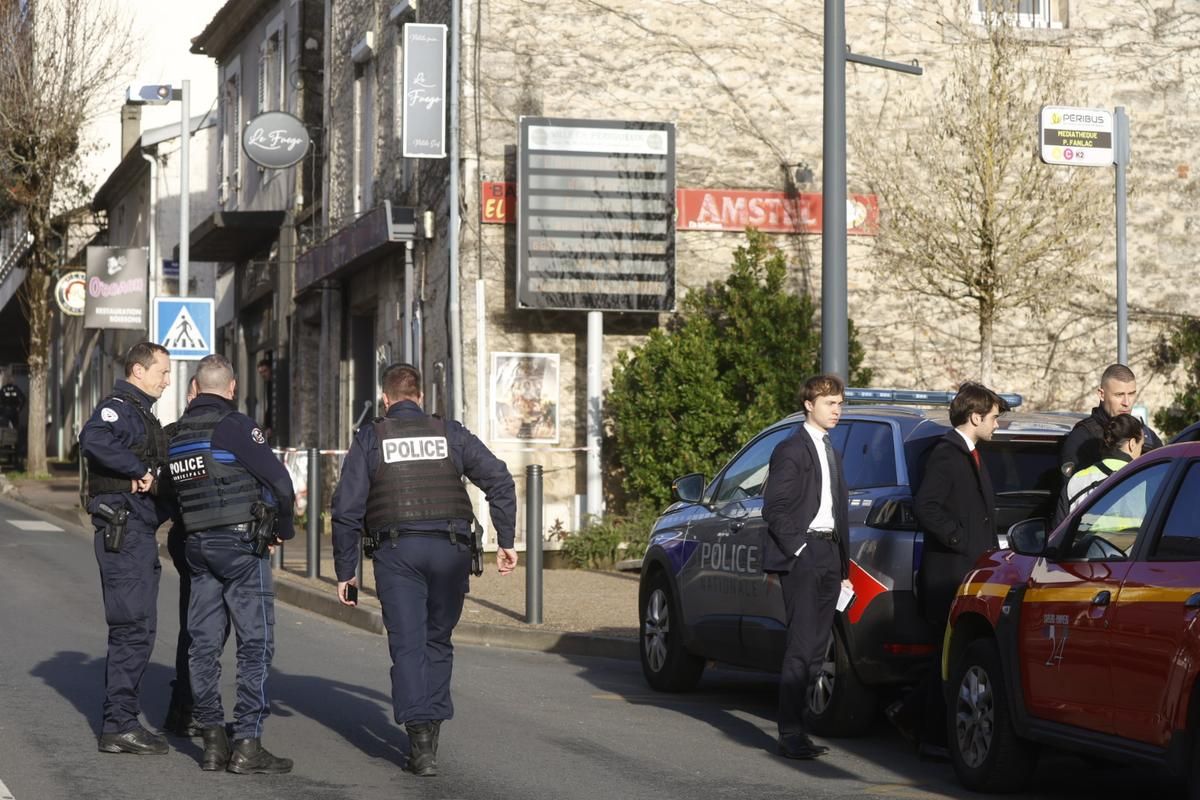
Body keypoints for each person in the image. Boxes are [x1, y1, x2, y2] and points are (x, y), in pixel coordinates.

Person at [330, 362, 518, 778]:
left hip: (398, 553)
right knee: (437, 639)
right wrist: (505, 540)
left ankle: (420, 741)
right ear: (420, 397)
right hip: (451, 551)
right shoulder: (449, 433)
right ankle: (430, 727)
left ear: (385, 399)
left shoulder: (371, 437)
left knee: (408, 643)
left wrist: (347, 571)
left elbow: (346, 510)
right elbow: (500, 478)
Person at [166, 354, 295, 774]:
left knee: (202, 645)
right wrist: (283, 530)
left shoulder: (180, 432)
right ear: (232, 387)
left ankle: (211, 742)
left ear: (196, 388)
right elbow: (280, 481)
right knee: (255, 644)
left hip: (197, 547)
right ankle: (247, 744)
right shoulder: (235, 425)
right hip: (241, 547)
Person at [891, 382, 1006, 756]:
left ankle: (912, 719)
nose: (997, 425)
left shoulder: (970, 452)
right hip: (949, 574)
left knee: (949, 656)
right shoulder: (947, 453)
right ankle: (923, 730)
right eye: (993, 418)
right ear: (975, 417)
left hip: (970, 571)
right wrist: (962, 541)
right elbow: (928, 506)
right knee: (946, 656)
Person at [79, 342, 172, 755]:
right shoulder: (118, 408)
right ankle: (118, 724)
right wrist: (138, 471)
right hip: (124, 531)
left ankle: (122, 720)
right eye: (162, 372)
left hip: (138, 532)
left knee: (142, 627)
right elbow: (93, 438)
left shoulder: (142, 413)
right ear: (138, 370)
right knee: (132, 628)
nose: (167, 380)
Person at [761, 373, 853, 761]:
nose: (837, 410)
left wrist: (842, 563)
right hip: (805, 555)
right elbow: (775, 508)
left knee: (818, 647)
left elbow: (836, 507)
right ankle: (789, 732)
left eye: (839, 403)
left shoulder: (829, 447)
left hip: (830, 555)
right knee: (801, 646)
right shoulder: (791, 448)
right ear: (809, 405)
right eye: (830, 403)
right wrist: (799, 548)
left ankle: (800, 728)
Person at [161, 378, 202, 738]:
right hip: (211, 543)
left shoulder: (173, 433)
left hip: (187, 538)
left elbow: (159, 494)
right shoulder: (237, 430)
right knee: (206, 627)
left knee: (195, 625)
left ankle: (185, 708)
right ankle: (191, 708)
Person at [1060, 363, 1161, 478]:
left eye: (1131, 394)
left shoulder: (1146, 436)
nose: (1126, 403)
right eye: (1119, 395)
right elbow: (1073, 491)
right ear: (1101, 394)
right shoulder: (1082, 438)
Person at [1051, 414, 1144, 528]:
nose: (1141, 453)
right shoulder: (1143, 478)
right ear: (1132, 444)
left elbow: (1058, 532)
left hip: (1083, 545)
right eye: (1141, 446)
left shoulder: (1076, 481)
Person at [256, 358, 273, 440]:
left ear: (271, 369)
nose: (263, 375)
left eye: (265, 371)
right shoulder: (268, 384)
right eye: (261, 373)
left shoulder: (273, 384)